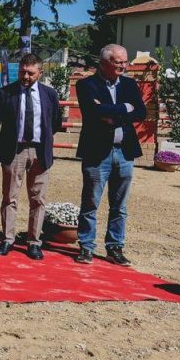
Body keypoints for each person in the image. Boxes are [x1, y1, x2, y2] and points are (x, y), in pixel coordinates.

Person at [75, 44, 145, 265]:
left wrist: (111, 112)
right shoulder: (86, 85)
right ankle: (86, 247)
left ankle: (115, 247)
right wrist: (125, 108)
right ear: (104, 63)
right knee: (90, 203)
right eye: (118, 62)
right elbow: (93, 112)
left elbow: (141, 112)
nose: (123, 65)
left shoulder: (130, 84)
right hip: (97, 153)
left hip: (124, 152)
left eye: (125, 61)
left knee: (120, 206)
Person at [0, 53, 63, 261]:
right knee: (9, 196)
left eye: (30, 73)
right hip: (14, 151)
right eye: (22, 72)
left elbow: (56, 122)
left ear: (40, 73)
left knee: (38, 199)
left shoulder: (50, 94)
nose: (25, 76)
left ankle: (34, 242)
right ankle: (7, 239)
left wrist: (43, 139)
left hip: (40, 152)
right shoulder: (6, 93)